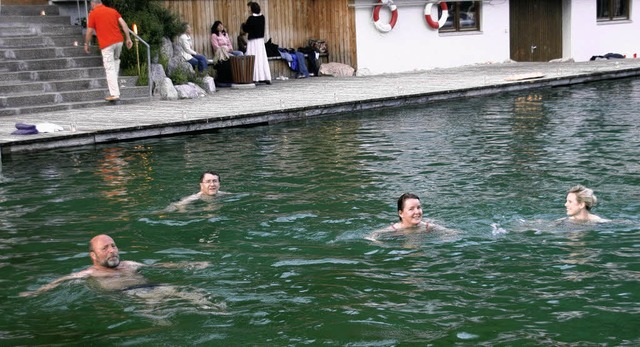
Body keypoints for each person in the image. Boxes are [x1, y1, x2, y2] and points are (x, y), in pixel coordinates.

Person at [19, 235, 212, 302]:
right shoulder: (89, 273)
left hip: (153, 286)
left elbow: (160, 266)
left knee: (195, 294)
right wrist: (36, 292)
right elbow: (60, 281)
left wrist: (190, 265)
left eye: (113, 246)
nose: (112, 251)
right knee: (161, 310)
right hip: (129, 296)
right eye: (105, 248)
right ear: (93, 256)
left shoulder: (129, 264)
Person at [84, 0, 133, 102]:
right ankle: (116, 89)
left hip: (107, 44)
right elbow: (123, 24)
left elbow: (89, 31)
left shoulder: (93, 14)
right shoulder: (112, 11)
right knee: (115, 63)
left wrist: (86, 44)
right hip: (119, 41)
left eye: (91, 5)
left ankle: (114, 94)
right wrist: (128, 38)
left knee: (109, 69)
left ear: (93, 4)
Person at [366, 193, 452, 241]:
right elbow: (372, 235)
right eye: (411, 209)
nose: (417, 212)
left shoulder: (427, 226)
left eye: (419, 207)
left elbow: (450, 232)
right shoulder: (395, 229)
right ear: (401, 213)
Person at [242, 2, 271, 84]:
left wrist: (243, 25)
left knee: (253, 58)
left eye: (249, 8)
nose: (248, 9)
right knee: (261, 58)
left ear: (252, 8)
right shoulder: (262, 17)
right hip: (260, 41)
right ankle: (265, 77)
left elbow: (246, 29)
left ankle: (254, 77)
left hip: (253, 42)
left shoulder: (251, 18)